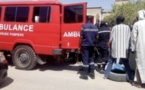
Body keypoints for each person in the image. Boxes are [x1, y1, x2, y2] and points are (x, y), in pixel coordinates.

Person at [104, 16, 133, 84]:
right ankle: (130, 78)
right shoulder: (127, 27)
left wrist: (110, 42)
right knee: (126, 63)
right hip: (124, 48)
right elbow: (129, 37)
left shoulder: (114, 27)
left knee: (111, 61)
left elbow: (111, 38)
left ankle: (106, 75)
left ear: (117, 21)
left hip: (115, 48)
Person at [131, 10, 145, 88]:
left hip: (141, 47)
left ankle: (140, 83)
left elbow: (134, 38)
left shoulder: (137, 24)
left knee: (140, 63)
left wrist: (133, 48)